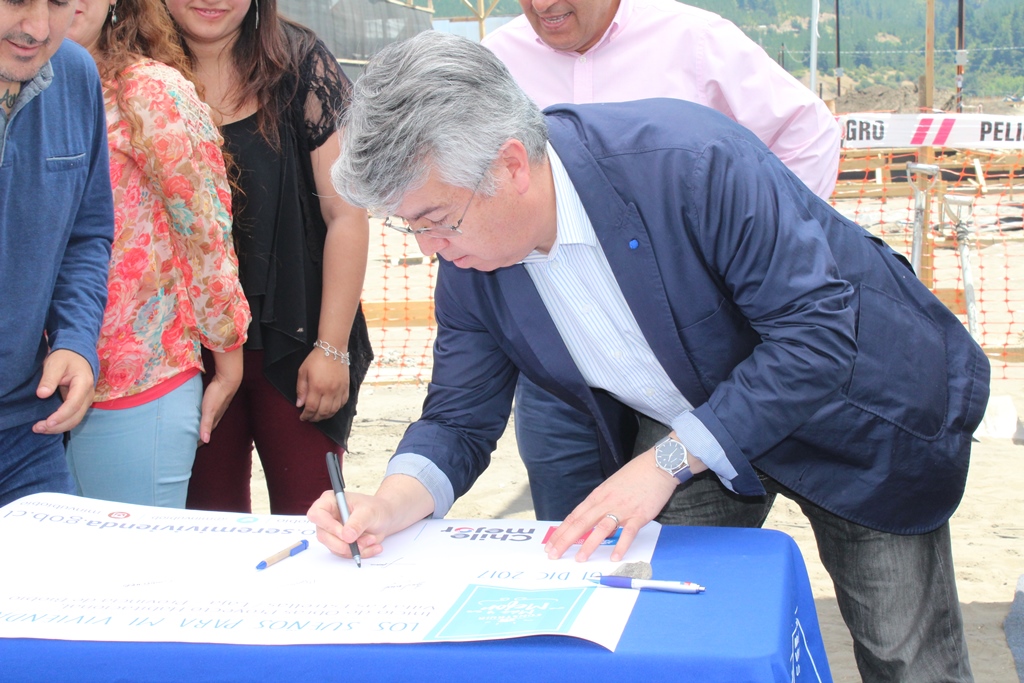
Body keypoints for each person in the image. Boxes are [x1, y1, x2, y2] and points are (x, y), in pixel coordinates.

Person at [309, 33, 989, 682]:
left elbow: (816, 334)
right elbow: (458, 419)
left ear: (511, 165)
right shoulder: (471, 262)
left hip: (858, 412)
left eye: (436, 220)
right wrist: (392, 502)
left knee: (906, 658)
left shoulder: (690, 163)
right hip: (699, 424)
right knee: (661, 631)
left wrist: (665, 461)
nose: (429, 249)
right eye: (411, 226)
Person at [483, 0, 844, 521]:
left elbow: (806, 131)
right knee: (570, 524)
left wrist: (767, 252)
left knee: (682, 530)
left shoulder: (695, 40)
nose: (543, 4)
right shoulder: (494, 62)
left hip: (687, 352)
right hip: (561, 359)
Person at [164, 0, 373, 515]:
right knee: (208, 523)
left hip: (296, 343)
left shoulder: (299, 63)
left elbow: (346, 215)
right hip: (183, 354)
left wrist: (332, 348)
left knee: (312, 519)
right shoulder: (136, 68)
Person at [63, 0, 251, 508]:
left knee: (127, 554)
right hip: (25, 387)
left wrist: (227, 357)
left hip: (133, 377)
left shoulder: (149, 91)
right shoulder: (25, 93)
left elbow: (204, 229)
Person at [0, 1, 114, 507]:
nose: (39, 28)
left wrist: (74, 338)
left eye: (58, 3)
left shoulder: (75, 73)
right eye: (16, 0)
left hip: (28, 432)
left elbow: (85, 235)